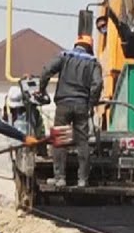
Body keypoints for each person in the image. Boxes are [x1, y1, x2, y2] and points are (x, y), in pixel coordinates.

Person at [38, 36, 103, 188]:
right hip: (82, 105)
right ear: (90, 47)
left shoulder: (65, 56)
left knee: (60, 140)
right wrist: (91, 103)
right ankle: (82, 180)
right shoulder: (93, 62)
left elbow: (47, 70)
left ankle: (60, 178)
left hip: (63, 104)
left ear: (76, 44)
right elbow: (97, 83)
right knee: (82, 142)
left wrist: (41, 89)